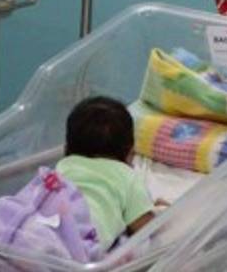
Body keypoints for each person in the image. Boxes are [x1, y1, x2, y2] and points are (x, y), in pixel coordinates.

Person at [56, 96, 167, 251]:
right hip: (81, 243)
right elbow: (144, 227)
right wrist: (159, 212)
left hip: (45, 228)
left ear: (67, 148)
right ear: (130, 151)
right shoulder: (126, 176)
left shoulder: (63, 166)